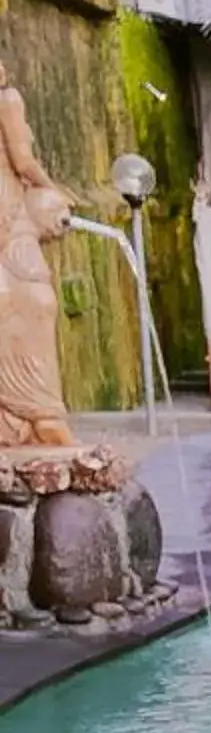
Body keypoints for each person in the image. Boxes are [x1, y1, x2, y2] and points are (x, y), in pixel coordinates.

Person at [0, 60, 77, 448]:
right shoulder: (7, 99)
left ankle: (20, 419)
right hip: (8, 210)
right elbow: (24, 161)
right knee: (35, 300)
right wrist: (55, 190)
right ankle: (40, 414)